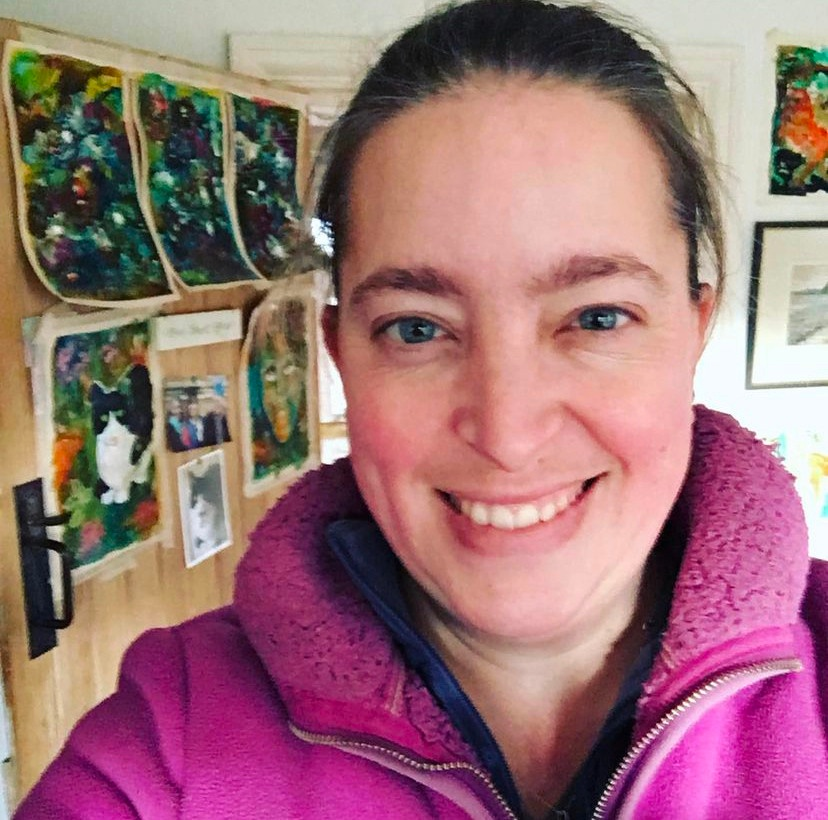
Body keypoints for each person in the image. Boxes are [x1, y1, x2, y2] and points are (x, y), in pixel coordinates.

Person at [16, 2, 828, 818]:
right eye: (417, 328)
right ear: (340, 354)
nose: (508, 434)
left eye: (596, 317)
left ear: (693, 327)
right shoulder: (168, 748)